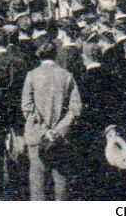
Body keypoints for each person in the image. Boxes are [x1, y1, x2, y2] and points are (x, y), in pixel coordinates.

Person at [21, 40, 81, 201]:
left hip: (37, 136)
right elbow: (75, 108)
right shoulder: (67, 76)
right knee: (61, 183)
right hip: (60, 138)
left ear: (39, 55)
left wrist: (43, 131)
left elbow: (27, 107)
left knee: (37, 184)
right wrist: (58, 130)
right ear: (55, 55)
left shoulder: (32, 76)